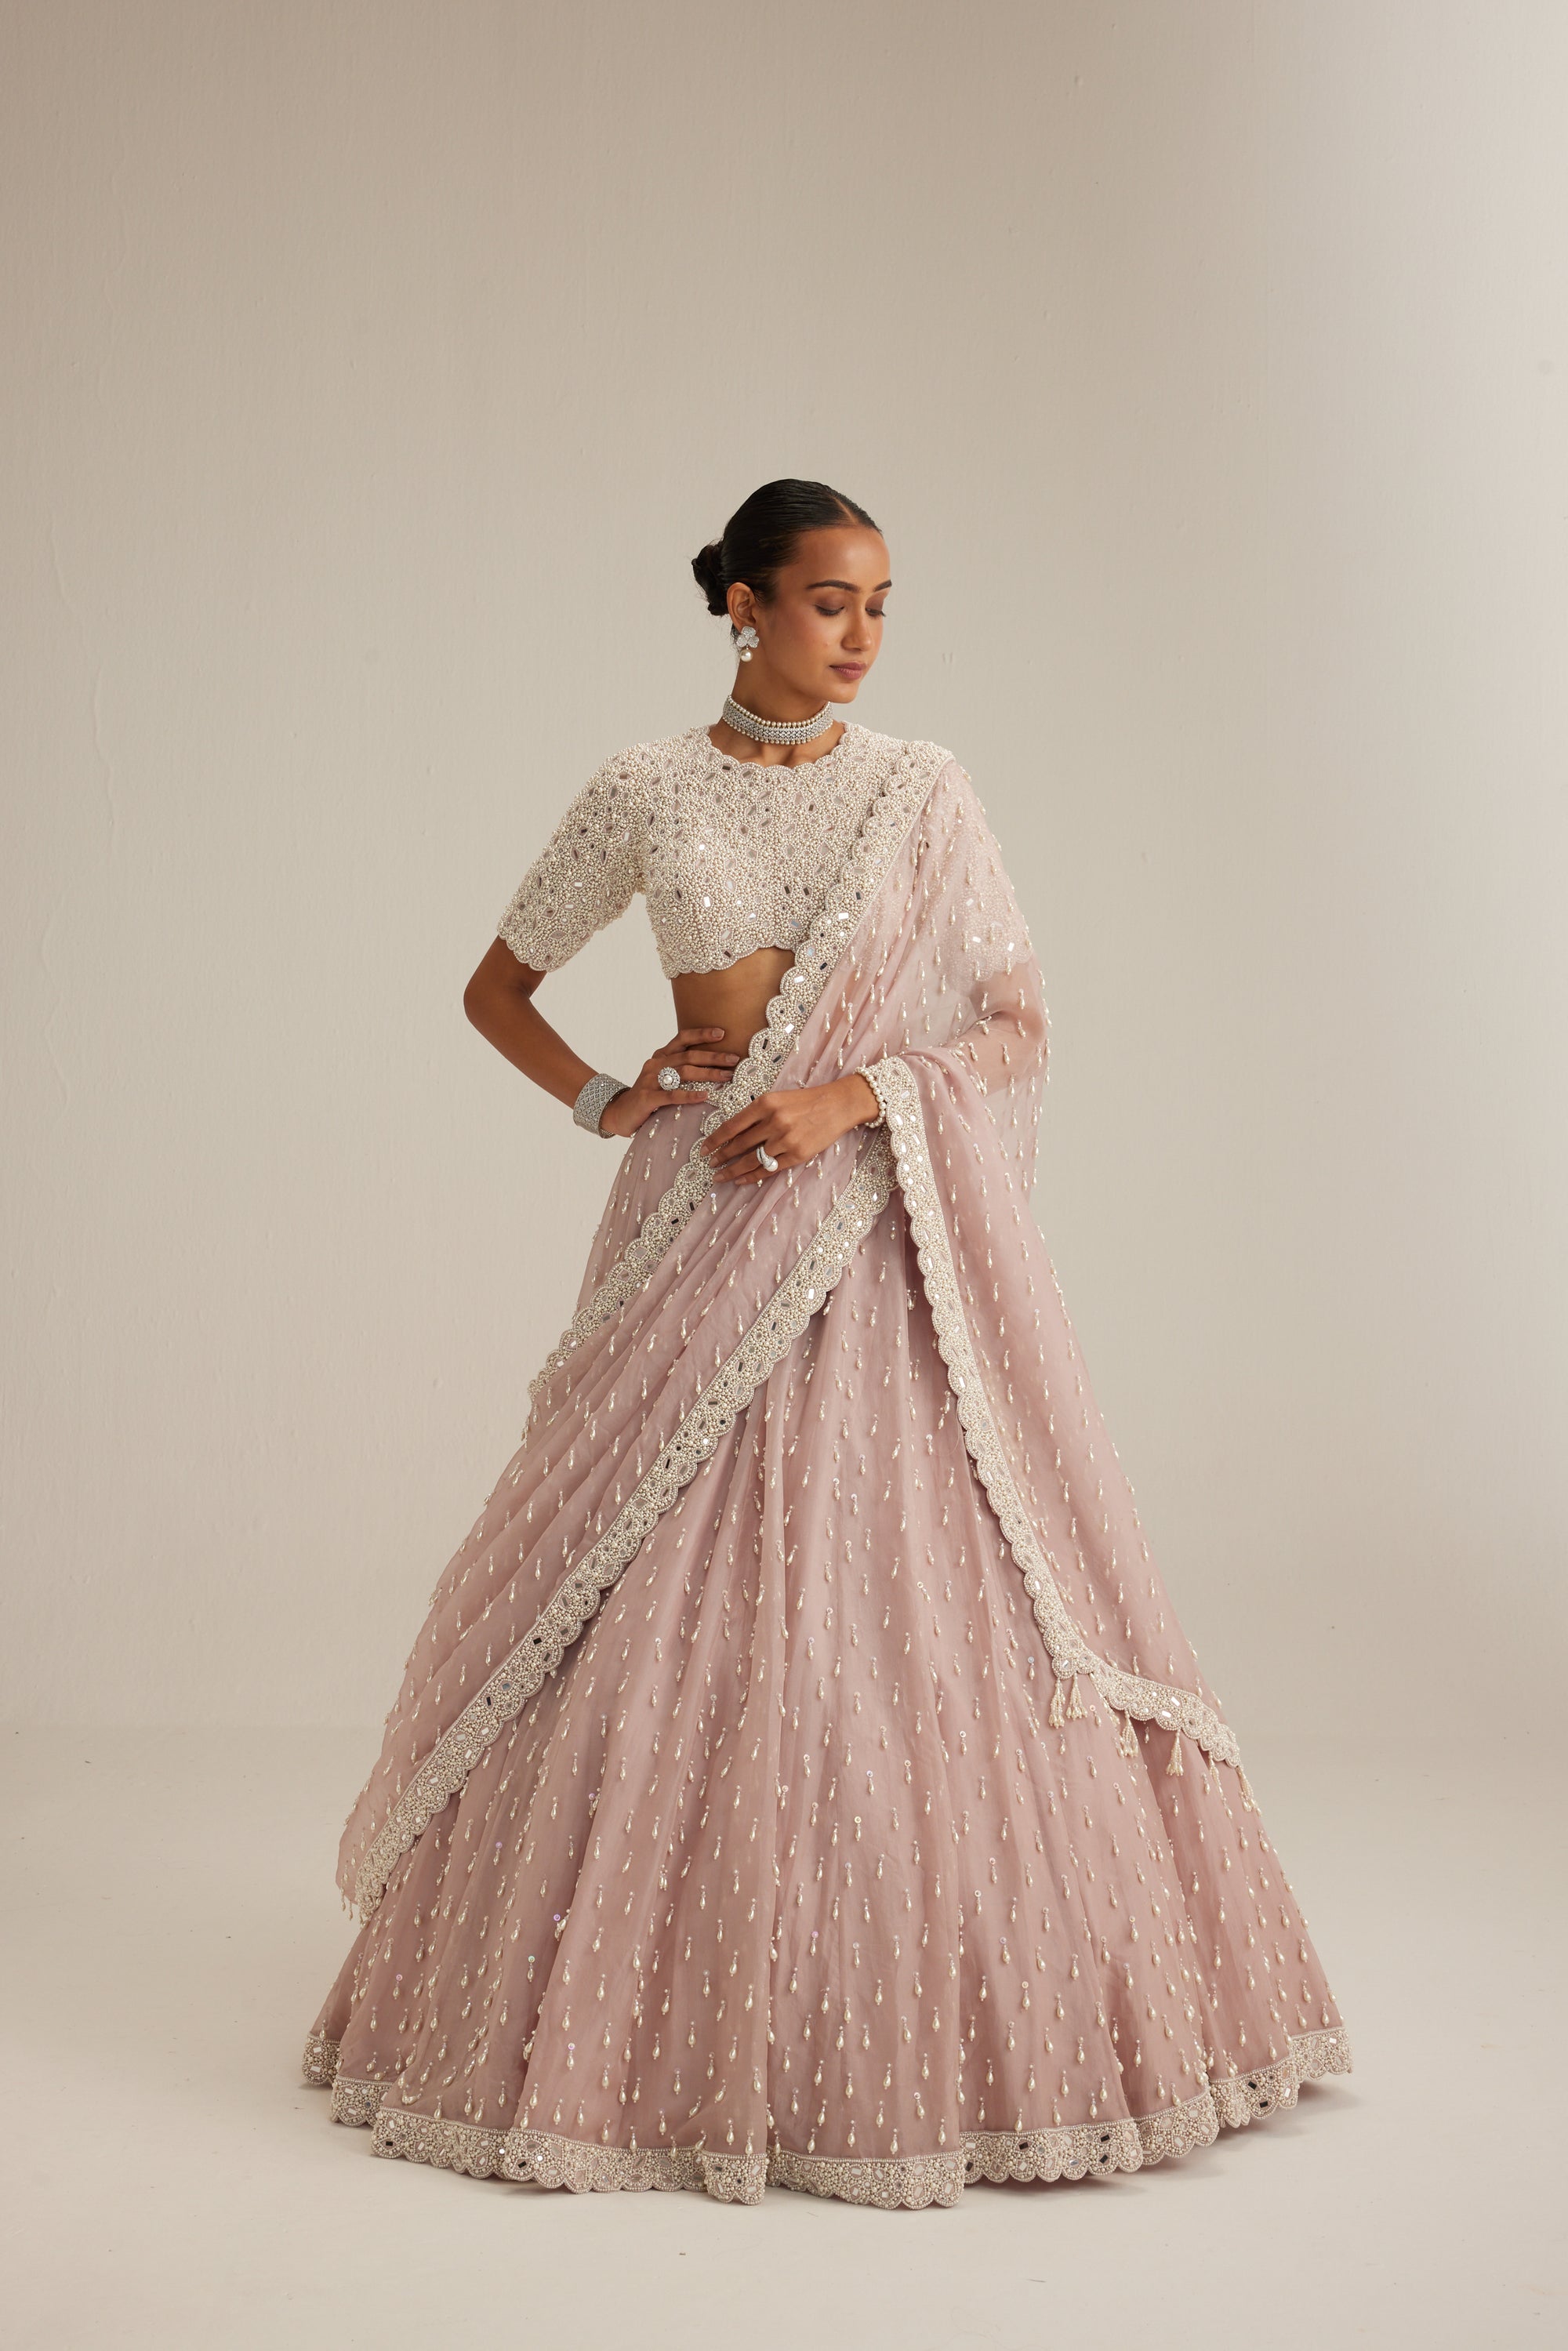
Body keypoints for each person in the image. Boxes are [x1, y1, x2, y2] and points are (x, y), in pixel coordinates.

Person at [300, 477, 1351, 2208]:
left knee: (900, 1612)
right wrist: (610, 1098)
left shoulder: (922, 791)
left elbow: (1012, 1025)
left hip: (871, 1231)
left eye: (880, 605)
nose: (861, 636)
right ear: (742, 606)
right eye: (827, 601)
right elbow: (495, 987)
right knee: (645, 1597)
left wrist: (855, 1096)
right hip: (698, 1219)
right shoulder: (644, 789)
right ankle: (628, 2017)